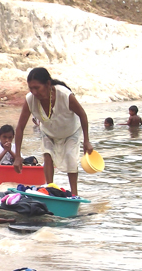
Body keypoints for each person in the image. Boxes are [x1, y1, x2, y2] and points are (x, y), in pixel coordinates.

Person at [13, 67, 93, 196]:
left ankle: (74, 195)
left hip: (70, 131)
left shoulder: (65, 95)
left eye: (37, 88)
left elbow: (82, 115)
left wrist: (87, 141)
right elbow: (20, 128)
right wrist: (17, 156)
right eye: (30, 88)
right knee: (47, 155)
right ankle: (50, 190)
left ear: (48, 84)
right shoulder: (30, 100)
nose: (34, 92)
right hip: (48, 132)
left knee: (70, 158)